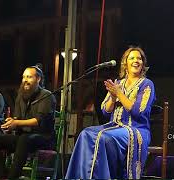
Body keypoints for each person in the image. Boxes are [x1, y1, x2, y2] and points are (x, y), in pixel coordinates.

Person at [66, 46, 156, 179]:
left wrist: (119, 93)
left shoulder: (147, 84)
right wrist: (113, 98)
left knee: (102, 137)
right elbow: (105, 111)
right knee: (85, 134)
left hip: (136, 129)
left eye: (139, 58)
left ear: (143, 64)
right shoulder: (118, 83)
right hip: (114, 126)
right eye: (132, 58)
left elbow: (139, 112)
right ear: (125, 63)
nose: (136, 60)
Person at [0, 65, 56, 179]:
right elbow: (17, 118)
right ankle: (3, 175)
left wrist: (17, 123)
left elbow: (38, 121)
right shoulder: (20, 96)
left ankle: (12, 177)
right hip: (23, 137)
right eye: (24, 77)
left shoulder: (47, 95)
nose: (25, 80)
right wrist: (11, 123)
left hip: (43, 137)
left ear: (38, 79)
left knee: (24, 139)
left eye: (29, 77)